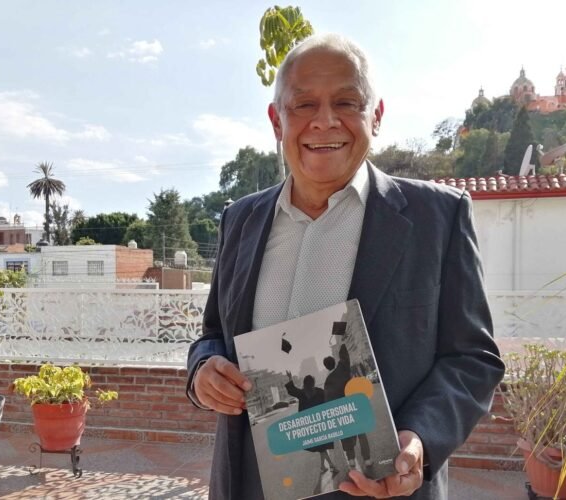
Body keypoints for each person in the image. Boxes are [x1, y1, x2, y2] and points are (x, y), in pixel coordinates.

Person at [186, 32, 504, 499]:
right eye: (304, 105)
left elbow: (473, 359)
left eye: (347, 102)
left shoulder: (437, 217)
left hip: (376, 485)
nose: (325, 121)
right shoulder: (240, 220)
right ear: (277, 121)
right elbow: (212, 332)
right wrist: (202, 372)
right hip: (249, 485)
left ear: (376, 116)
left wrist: (418, 441)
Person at [323, 345, 370, 471]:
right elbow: (344, 354)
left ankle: (351, 462)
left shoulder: (328, 381)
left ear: (325, 366)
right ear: (334, 360)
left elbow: (328, 402)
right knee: (361, 433)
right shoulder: (342, 368)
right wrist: (341, 344)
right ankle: (367, 459)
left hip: (342, 411)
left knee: (346, 435)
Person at [284, 371, 338, 475]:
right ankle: (332, 466)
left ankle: (323, 467)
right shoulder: (319, 392)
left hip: (310, 425)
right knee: (321, 446)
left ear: (304, 383)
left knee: (321, 446)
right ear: (313, 382)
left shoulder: (302, 394)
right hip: (320, 423)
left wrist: (290, 378)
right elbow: (328, 401)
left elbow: (292, 390)